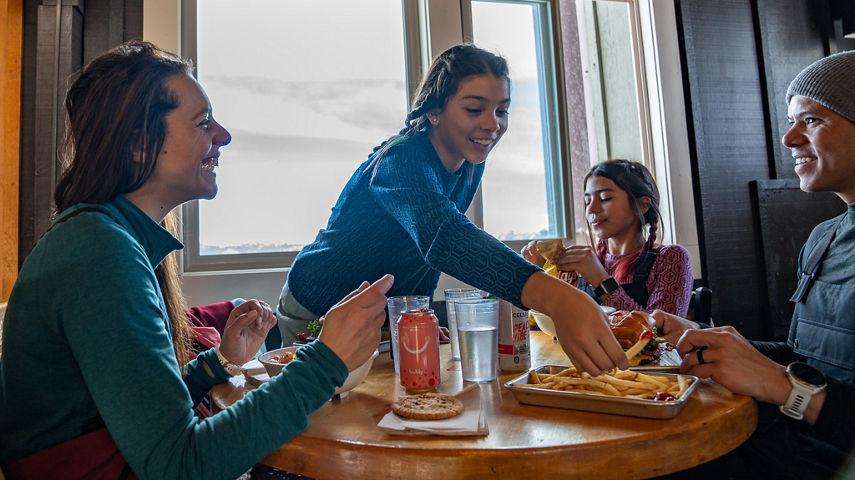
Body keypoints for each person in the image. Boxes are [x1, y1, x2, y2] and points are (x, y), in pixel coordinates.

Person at [0, 41, 392, 479]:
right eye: (203, 122)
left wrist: (217, 363)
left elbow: (134, 409)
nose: (222, 135)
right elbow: (179, 464)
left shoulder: (104, 237)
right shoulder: (99, 253)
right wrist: (326, 360)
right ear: (137, 144)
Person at [278, 44, 628, 376]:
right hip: (318, 305)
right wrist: (557, 297)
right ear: (434, 111)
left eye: (502, 110)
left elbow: (428, 255)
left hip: (379, 317)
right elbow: (441, 236)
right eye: (474, 109)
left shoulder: (470, 165)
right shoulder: (399, 161)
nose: (493, 124)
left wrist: (419, 312)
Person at [653, 50, 855, 479]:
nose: (789, 139)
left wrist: (787, 387)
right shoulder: (825, 238)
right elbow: (808, 358)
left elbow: (794, 380)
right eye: (790, 122)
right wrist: (707, 342)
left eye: (812, 120)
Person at [522, 159, 693, 316]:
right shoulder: (582, 261)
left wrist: (601, 281)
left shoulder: (670, 258)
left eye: (605, 198)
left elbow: (663, 334)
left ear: (641, 205)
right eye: (587, 201)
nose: (592, 209)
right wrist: (538, 274)